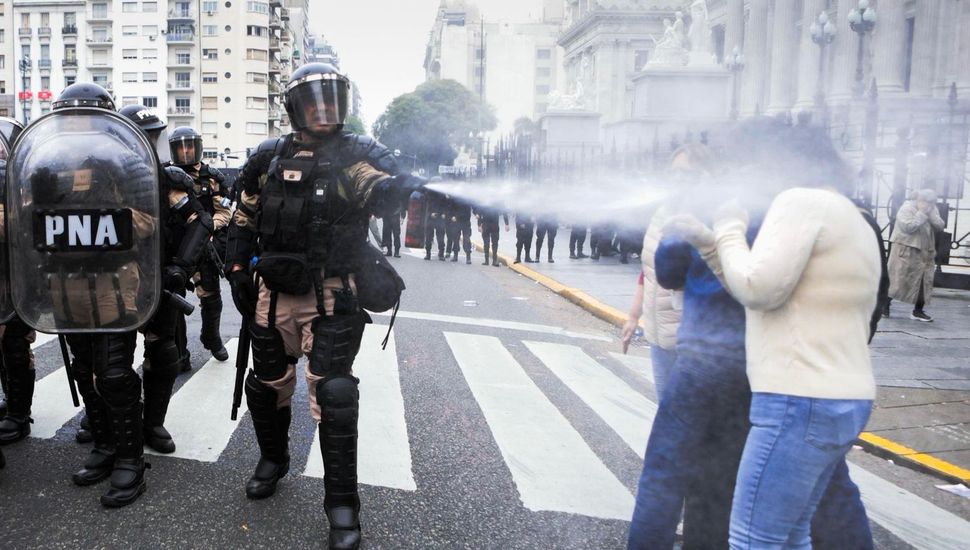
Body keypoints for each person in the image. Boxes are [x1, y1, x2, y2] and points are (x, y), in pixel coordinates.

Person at [224, 62, 430, 550]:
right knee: (266, 384)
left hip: (332, 293)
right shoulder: (266, 158)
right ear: (294, 107)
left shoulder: (356, 155)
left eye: (332, 98)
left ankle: (342, 506)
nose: (324, 109)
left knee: (334, 395)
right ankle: (272, 460)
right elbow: (242, 216)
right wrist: (235, 270)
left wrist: (396, 187)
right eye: (313, 100)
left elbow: (377, 184)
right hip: (272, 295)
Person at [685, 120, 880, 549]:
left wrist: (728, 227)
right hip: (842, 397)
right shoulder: (847, 212)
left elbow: (757, 290)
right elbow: (767, 290)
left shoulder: (799, 201)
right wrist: (710, 245)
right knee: (791, 536)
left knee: (753, 540)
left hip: (797, 398)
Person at [9, 83, 164, 506]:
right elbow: (28, 230)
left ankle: (131, 460)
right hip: (66, 286)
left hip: (113, 284)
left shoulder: (126, 161)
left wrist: (103, 215)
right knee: (83, 371)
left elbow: (150, 224)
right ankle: (105, 444)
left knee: (114, 374)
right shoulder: (44, 164)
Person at [119, 105, 213, 455]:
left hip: (161, 277)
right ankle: (113, 420)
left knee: (163, 353)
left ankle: (153, 423)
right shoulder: (103, 178)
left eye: (154, 136)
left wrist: (181, 267)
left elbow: (198, 222)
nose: (149, 143)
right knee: (113, 358)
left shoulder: (168, 180)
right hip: (117, 282)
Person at [169, 126, 232, 359]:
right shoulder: (165, 175)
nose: (185, 151)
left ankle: (212, 339)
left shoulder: (212, 177)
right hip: (174, 248)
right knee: (174, 303)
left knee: (212, 298)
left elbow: (224, 211)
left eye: (190, 145)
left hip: (203, 247)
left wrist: (210, 229)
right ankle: (179, 353)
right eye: (180, 146)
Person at [0, 117, 38, 448]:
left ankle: (18, 414)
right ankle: (9, 403)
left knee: (15, 347)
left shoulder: (24, 180)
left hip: (14, 279)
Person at [888, 188, 944, 322]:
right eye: (926, 202)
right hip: (906, 251)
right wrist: (921, 213)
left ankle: (918, 311)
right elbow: (908, 227)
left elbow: (940, 225)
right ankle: (885, 304)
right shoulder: (906, 208)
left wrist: (931, 215)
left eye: (932, 203)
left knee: (924, 281)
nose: (929, 205)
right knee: (899, 280)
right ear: (918, 200)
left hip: (925, 251)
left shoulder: (932, 209)